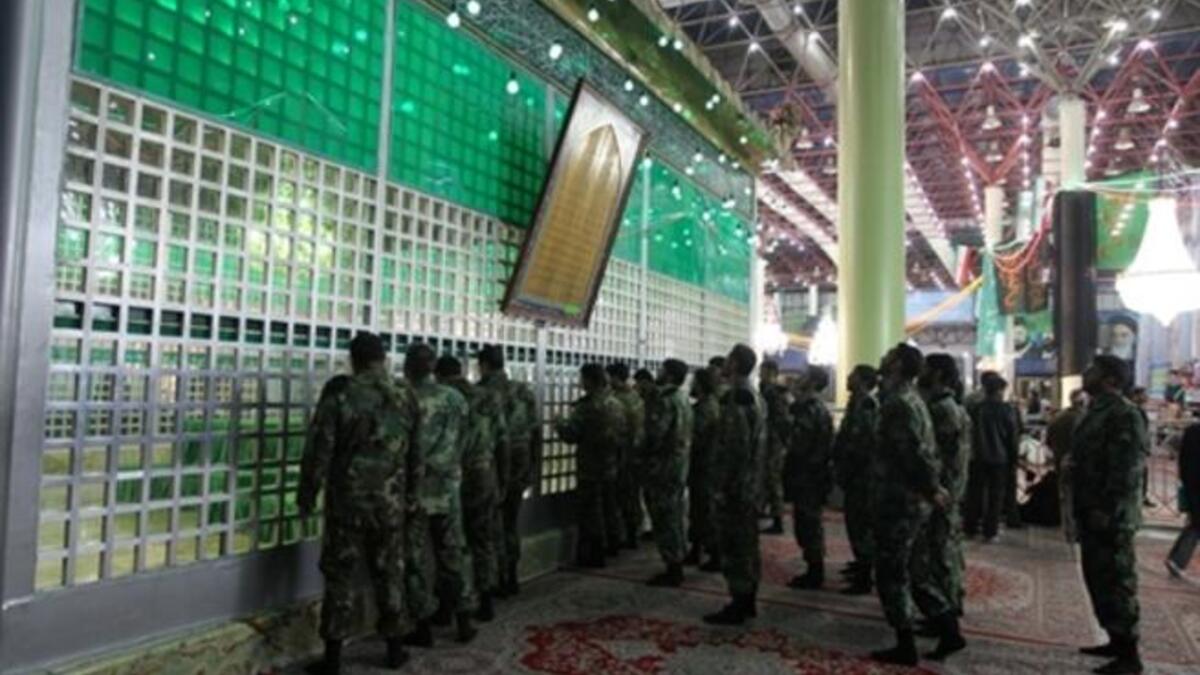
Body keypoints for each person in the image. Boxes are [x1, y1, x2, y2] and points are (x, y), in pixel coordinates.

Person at [298, 333, 421, 675]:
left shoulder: (340, 394)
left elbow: (318, 449)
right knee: (389, 571)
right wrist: (412, 496)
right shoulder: (405, 394)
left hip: (347, 502)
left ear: (353, 359)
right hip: (391, 502)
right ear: (383, 358)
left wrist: (307, 494)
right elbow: (416, 451)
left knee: (340, 574)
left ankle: (334, 657)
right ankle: (394, 650)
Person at [870, 343, 947, 667]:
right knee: (914, 570)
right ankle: (949, 628)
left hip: (900, 500)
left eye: (889, 355)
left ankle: (905, 644)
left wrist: (931, 488)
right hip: (910, 498)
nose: (883, 357)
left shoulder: (899, 404)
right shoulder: (912, 399)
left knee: (891, 571)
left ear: (898, 365)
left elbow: (912, 455)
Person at [1073, 355, 1147, 675]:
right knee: (1098, 576)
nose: (1086, 373)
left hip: (1110, 514)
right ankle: (1115, 639)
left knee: (1117, 579)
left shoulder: (1124, 414)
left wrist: (1107, 507)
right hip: (1092, 509)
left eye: (1093, 370)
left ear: (1110, 380)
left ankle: (1129, 654)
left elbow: (1127, 468)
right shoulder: (1097, 410)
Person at [402, 344, 476, 647]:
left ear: (408, 367)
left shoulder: (404, 398)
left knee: (415, 560)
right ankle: (463, 620)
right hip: (448, 490)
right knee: (453, 554)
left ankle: (422, 627)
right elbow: (467, 441)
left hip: (414, 492)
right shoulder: (455, 398)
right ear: (432, 367)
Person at [435, 355, 506, 623]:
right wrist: (503, 477)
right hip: (484, 473)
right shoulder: (487, 396)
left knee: (451, 544)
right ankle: (486, 600)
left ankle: (449, 606)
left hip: (452, 478)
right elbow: (502, 440)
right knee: (483, 538)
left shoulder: (443, 398)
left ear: (438, 375)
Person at [703, 344, 767, 625]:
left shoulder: (737, 398)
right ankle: (747, 599)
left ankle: (739, 603)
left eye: (727, 360)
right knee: (747, 545)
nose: (723, 366)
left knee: (735, 546)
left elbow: (735, 449)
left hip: (736, 488)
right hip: (750, 484)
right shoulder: (755, 395)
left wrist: (722, 487)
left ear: (736, 363)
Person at [912, 353, 971, 661]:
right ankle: (942, 619)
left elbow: (936, 459)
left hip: (939, 496)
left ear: (935, 373)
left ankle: (948, 625)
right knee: (941, 555)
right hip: (946, 495)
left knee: (935, 559)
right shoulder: (951, 407)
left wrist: (933, 491)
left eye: (925, 369)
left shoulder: (941, 411)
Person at [476, 345, 541, 598]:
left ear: (483, 365)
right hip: (521, 462)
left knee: (490, 524)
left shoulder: (482, 393)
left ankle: (493, 580)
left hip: (493, 466)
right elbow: (536, 432)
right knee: (510, 522)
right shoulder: (522, 390)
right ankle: (511, 576)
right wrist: (533, 467)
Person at [555, 363, 625, 568]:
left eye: (582, 378)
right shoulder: (616, 403)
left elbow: (571, 435)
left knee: (589, 514)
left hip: (590, 468)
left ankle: (591, 556)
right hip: (611, 465)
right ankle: (612, 546)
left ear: (589, 380)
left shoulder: (587, 406)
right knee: (608, 507)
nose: (580, 382)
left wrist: (559, 423)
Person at [642, 359, 694, 586]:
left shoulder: (663, 400)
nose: (658, 373)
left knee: (665, 518)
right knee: (675, 514)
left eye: (662, 370)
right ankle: (678, 559)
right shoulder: (683, 398)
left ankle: (673, 566)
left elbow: (655, 435)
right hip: (679, 465)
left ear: (670, 375)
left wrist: (640, 450)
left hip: (662, 467)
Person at [783, 367, 833, 589]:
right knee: (807, 522)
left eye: (804, 377)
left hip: (808, 474)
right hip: (809, 473)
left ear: (812, 383)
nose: (798, 379)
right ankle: (814, 567)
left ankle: (815, 571)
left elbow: (798, 443)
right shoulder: (811, 408)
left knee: (809, 523)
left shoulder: (810, 409)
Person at [833, 365, 880, 595]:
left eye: (852, 375)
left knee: (861, 525)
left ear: (862, 380)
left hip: (862, 476)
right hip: (854, 474)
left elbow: (865, 443)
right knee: (854, 523)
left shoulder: (867, 405)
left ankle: (864, 575)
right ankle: (861, 564)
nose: (848, 377)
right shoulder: (856, 403)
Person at [964, 372, 1019, 542]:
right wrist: (1014, 458)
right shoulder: (1007, 410)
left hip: (977, 457)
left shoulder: (975, 409)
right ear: (1000, 390)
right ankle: (990, 531)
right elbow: (1012, 436)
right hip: (999, 458)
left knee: (974, 494)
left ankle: (970, 528)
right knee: (995, 496)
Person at [686, 367, 722, 570]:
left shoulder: (705, 408)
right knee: (698, 510)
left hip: (705, 467)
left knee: (704, 511)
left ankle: (714, 553)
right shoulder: (709, 405)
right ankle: (697, 549)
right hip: (705, 466)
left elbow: (697, 439)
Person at [608, 363, 646, 550]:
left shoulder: (617, 400)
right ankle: (633, 533)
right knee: (632, 496)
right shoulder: (636, 397)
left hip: (622, 454)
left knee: (620, 497)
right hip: (636, 454)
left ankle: (622, 536)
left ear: (615, 378)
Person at [1045, 389, 1087, 539]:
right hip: (1082, 464)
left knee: (1066, 497)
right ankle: (1079, 530)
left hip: (1061, 462)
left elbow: (1048, 441)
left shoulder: (1058, 418)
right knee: (1081, 498)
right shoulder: (1086, 419)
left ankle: (1069, 530)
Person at [759, 360, 791, 534]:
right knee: (767, 478)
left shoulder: (774, 392)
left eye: (763, 371)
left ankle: (778, 519)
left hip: (774, 440)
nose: (760, 374)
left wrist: (782, 441)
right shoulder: (767, 390)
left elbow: (781, 419)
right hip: (769, 439)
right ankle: (767, 510)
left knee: (773, 479)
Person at [1166, 419, 1200, 577]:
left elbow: (1182, 458)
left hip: (1191, 483)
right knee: (1196, 524)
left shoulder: (1191, 431)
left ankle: (1177, 559)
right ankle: (1177, 559)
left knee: (1195, 522)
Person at [1130, 387, 1154, 508]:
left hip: (1141, 449)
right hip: (1136, 449)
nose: (1146, 397)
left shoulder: (1139, 410)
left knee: (1143, 473)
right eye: (1143, 394)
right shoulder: (1133, 411)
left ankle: (1142, 496)